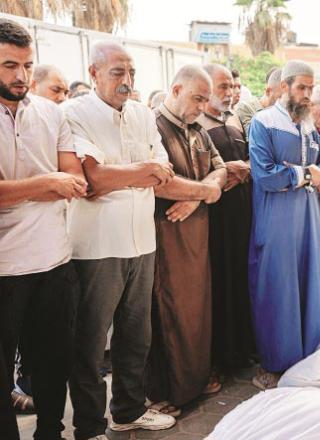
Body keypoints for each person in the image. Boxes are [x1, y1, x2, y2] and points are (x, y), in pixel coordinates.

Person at [64, 41, 177, 439]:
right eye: (117, 73)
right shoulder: (73, 115)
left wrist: (129, 171)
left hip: (141, 242)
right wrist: (142, 170)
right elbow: (93, 181)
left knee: (136, 336)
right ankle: (90, 426)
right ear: (93, 73)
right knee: (91, 344)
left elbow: (163, 169)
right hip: (96, 246)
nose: (127, 82)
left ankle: (128, 409)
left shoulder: (143, 114)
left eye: (131, 73)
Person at [0, 19, 86, 440]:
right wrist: (46, 183)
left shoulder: (52, 112)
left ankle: (50, 434)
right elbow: (58, 181)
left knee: (54, 365)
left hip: (54, 260)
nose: (20, 76)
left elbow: (74, 180)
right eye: (8, 65)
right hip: (3, 269)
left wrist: (21, 189)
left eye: (27, 65)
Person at [146, 65, 227, 416]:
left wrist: (197, 196)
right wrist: (207, 191)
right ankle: (168, 392)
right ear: (176, 89)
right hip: (166, 236)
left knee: (198, 310)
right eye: (197, 98)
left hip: (198, 234)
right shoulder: (152, 126)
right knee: (169, 312)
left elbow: (222, 169)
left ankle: (194, 382)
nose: (202, 106)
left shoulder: (199, 129)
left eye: (206, 99)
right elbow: (160, 182)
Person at [247, 60, 320, 389]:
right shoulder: (263, 122)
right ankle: (274, 363)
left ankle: (305, 354)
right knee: (277, 287)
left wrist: (311, 173)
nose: (308, 94)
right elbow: (265, 175)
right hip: (277, 219)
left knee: (308, 280)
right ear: (284, 87)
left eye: (311, 88)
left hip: (308, 215)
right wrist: (304, 174)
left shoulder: (309, 124)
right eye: (302, 87)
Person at [197, 64, 255, 376]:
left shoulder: (233, 122)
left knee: (240, 282)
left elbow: (251, 162)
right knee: (220, 286)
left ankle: (241, 348)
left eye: (232, 86)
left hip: (241, 217)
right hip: (216, 221)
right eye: (223, 87)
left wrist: (243, 167)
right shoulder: (198, 127)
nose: (230, 93)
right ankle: (221, 356)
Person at [234, 67, 282, 136]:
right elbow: (255, 138)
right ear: (268, 91)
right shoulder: (246, 108)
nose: (284, 102)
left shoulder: (282, 113)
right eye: (280, 97)